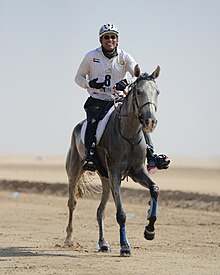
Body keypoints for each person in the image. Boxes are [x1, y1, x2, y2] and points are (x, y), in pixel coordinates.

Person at [75, 23, 170, 172]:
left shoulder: (125, 56)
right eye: (106, 37)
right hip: (97, 100)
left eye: (113, 37)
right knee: (92, 121)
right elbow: (78, 77)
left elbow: (136, 74)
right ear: (101, 40)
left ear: (117, 40)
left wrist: (127, 82)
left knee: (138, 118)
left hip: (117, 100)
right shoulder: (91, 56)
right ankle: (90, 156)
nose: (110, 40)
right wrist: (88, 83)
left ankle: (151, 155)